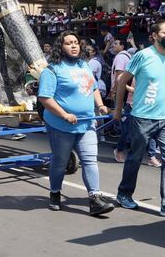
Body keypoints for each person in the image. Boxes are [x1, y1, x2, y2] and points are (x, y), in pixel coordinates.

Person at [112, 19, 165, 219]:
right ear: (154, 35)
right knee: (135, 157)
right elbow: (122, 82)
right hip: (142, 118)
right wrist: (118, 109)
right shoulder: (142, 56)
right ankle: (124, 194)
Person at [37, 31, 114, 216]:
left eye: (76, 42)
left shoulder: (84, 65)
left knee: (89, 161)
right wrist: (64, 114)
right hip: (60, 125)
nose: (73, 46)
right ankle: (55, 193)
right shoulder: (52, 69)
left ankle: (95, 199)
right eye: (68, 43)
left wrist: (101, 105)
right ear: (60, 47)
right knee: (60, 162)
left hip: (87, 124)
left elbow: (93, 87)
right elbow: (45, 98)